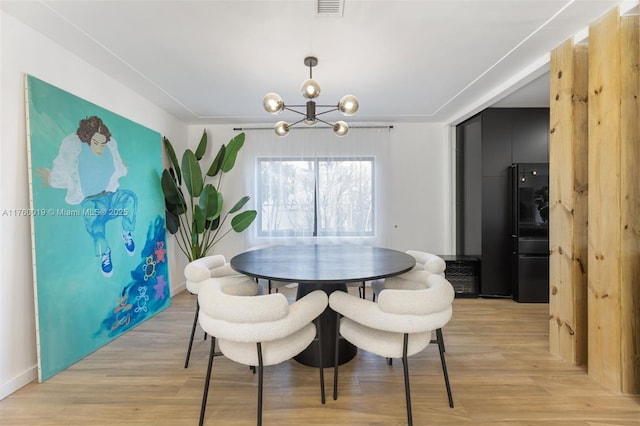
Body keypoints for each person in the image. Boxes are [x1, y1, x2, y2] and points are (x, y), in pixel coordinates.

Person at [37, 116, 137, 277]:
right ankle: (105, 253)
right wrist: (51, 178)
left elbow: (118, 167)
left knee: (130, 198)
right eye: (96, 143)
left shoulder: (110, 149)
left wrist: (122, 166)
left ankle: (126, 232)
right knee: (96, 228)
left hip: (110, 196)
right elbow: (64, 171)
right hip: (91, 201)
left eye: (103, 144)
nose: (100, 148)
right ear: (87, 139)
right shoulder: (74, 149)